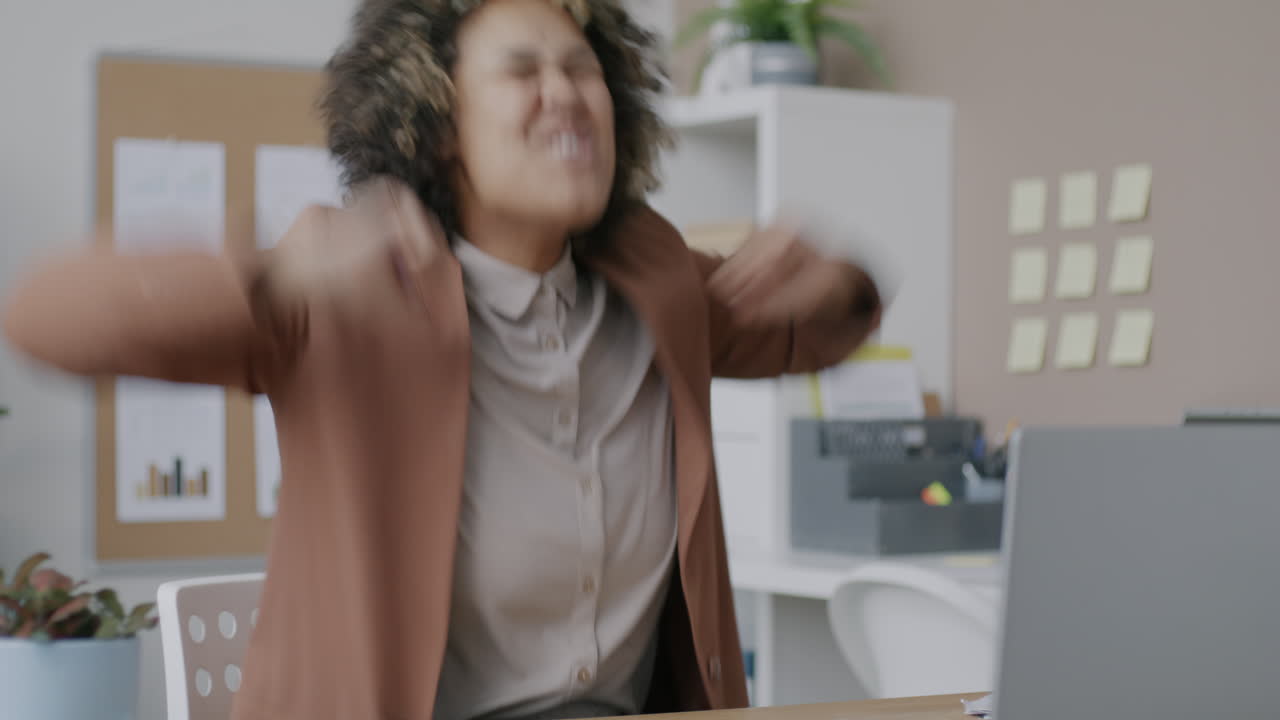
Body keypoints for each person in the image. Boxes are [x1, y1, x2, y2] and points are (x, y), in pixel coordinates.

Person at [2, 0, 882, 718]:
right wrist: (269, 273)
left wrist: (827, 282)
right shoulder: (351, 291)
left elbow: (828, 326)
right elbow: (47, 319)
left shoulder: (658, 281)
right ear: (437, 122)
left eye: (582, 70)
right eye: (523, 71)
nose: (567, 94)